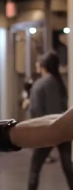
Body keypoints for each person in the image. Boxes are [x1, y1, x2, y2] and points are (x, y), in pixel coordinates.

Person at [27, 52, 73, 190]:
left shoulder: (40, 84)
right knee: (68, 166)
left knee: (35, 167)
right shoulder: (59, 83)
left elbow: (35, 109)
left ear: (42, 66)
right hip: (64, 128)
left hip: (46, 129)